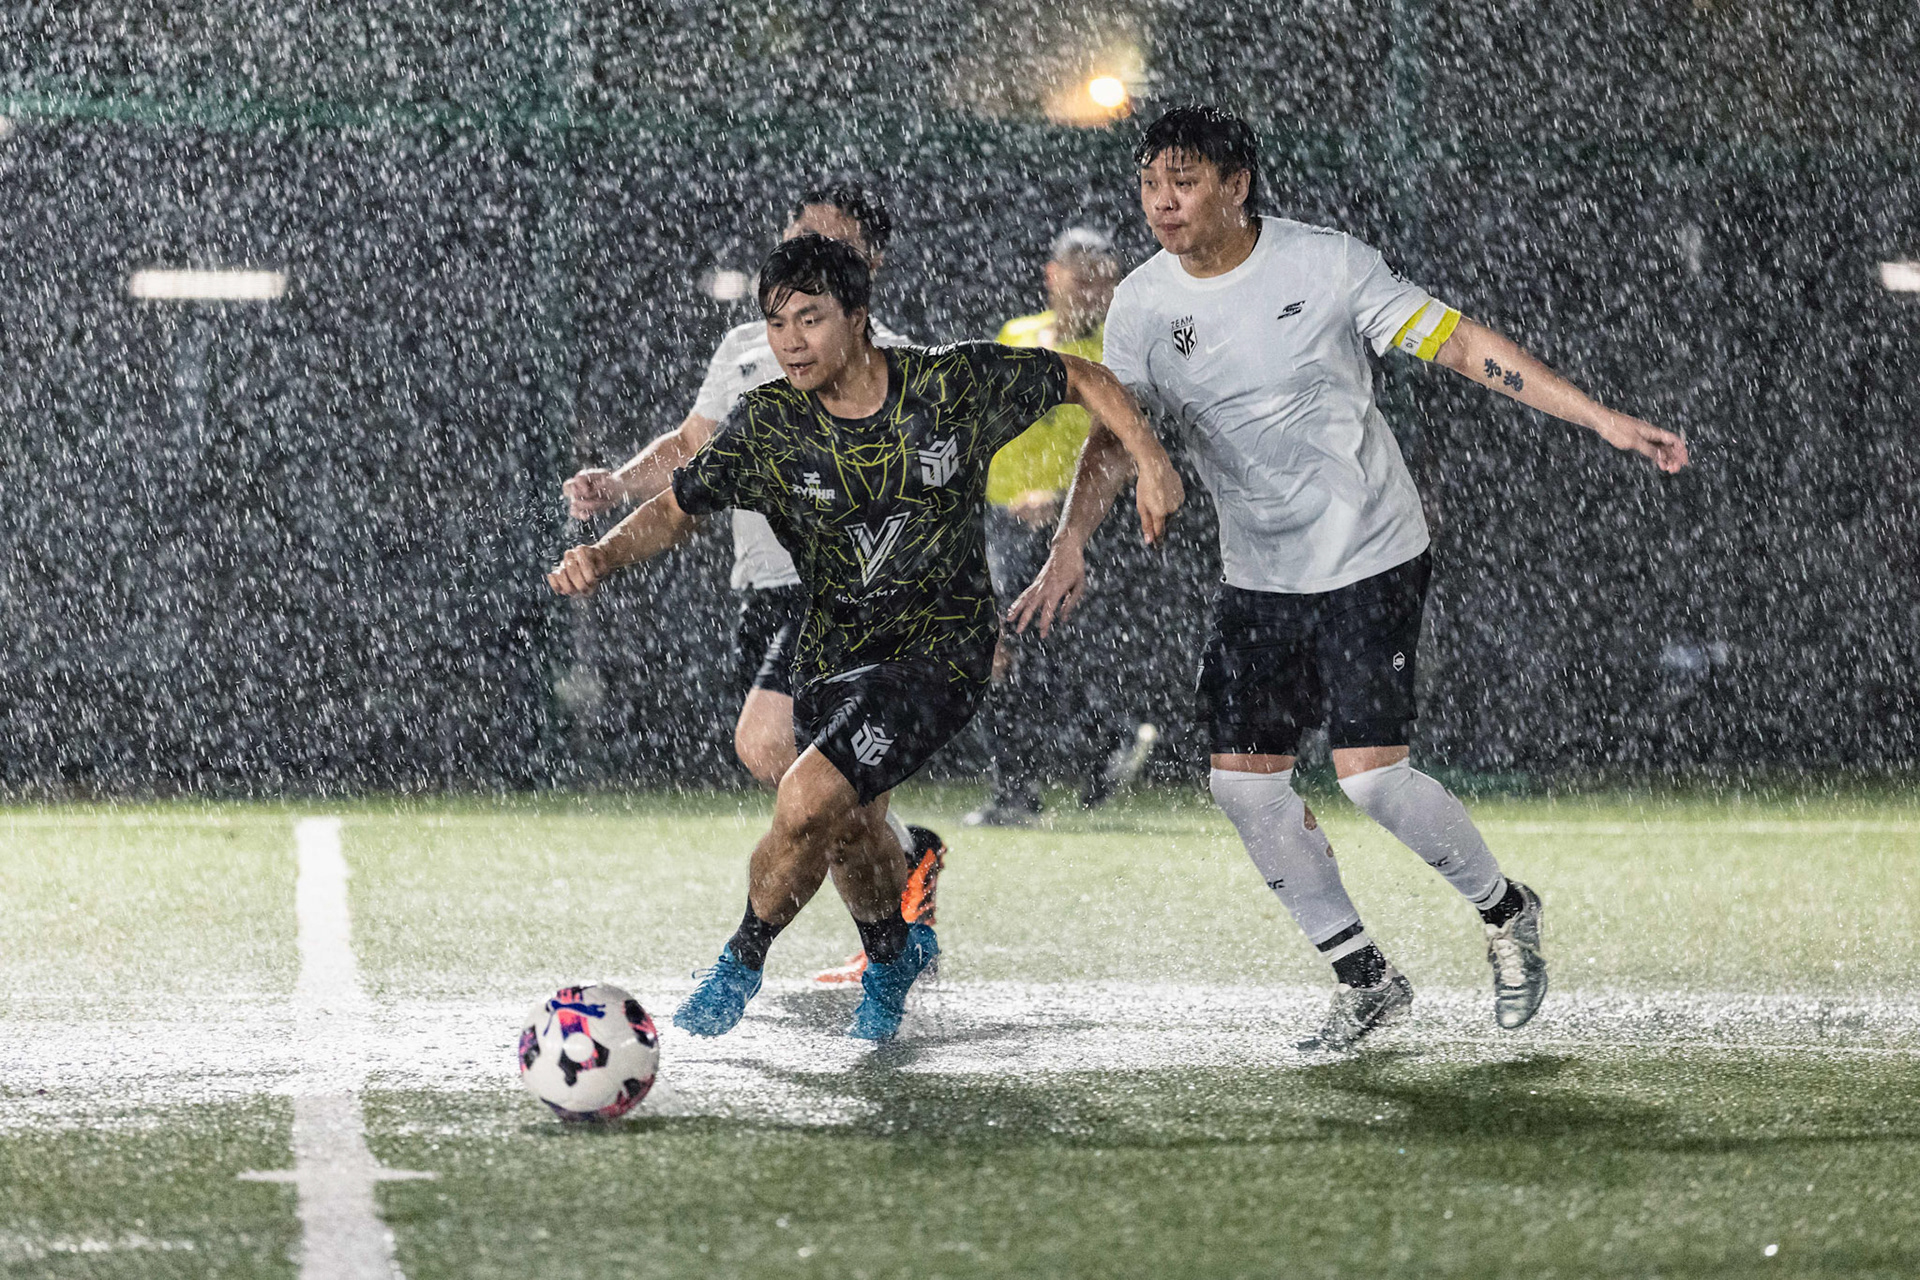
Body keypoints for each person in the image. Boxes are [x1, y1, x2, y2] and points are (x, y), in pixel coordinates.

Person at [1015, 105, 1688, 1052]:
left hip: (1370, 550)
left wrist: (1602, 420)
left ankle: (1505, 912)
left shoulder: (1325, 262)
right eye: (1149, 184)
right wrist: (1073, 541)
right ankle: (1365, 977)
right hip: (1259, 575)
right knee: (1245, 789)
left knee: (1371, 783)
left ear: (1237, 184)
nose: (1162, 203)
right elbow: (1115, 433)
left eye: (1185, 181)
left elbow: (1457, 343)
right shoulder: (1141, 303)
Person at [548, 234, 1184, 1041]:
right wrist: (602, 555)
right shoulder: (771, 422)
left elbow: (1085, 378)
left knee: (810, 796)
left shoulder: (947, 384)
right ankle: (892, 955)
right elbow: (677, 507)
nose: (790, 342)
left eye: (810, 320)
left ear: (859, 317)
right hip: (831, 653)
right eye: (777, 323)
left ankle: (740, 962)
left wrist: (1151, 463)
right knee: (848, 818)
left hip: (938, 655)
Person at [560, 184, 944, 982]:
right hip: (765, 592)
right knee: (832, 793)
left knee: (779, 753)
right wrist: (622, 486)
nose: (804, 257)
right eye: (796, 236)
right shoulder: (745, 344)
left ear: (869, 266)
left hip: (850, 596)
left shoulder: (897, 364)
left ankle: (839, 937)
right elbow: (695, 449)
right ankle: (903, 885)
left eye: (828, 245)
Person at [964, 226, 1158, 827]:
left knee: (1025, 646)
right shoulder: (1016, 336)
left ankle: (1071, 760)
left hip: (1070, 524)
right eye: (1082, 275)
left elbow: (1123, 442)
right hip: (999, 520)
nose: (1094, 289)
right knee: (1002, 648)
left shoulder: (1114, 351)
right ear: (1054, 277)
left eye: (1105, 278)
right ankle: (1088, 750)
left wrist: (1057, 499)